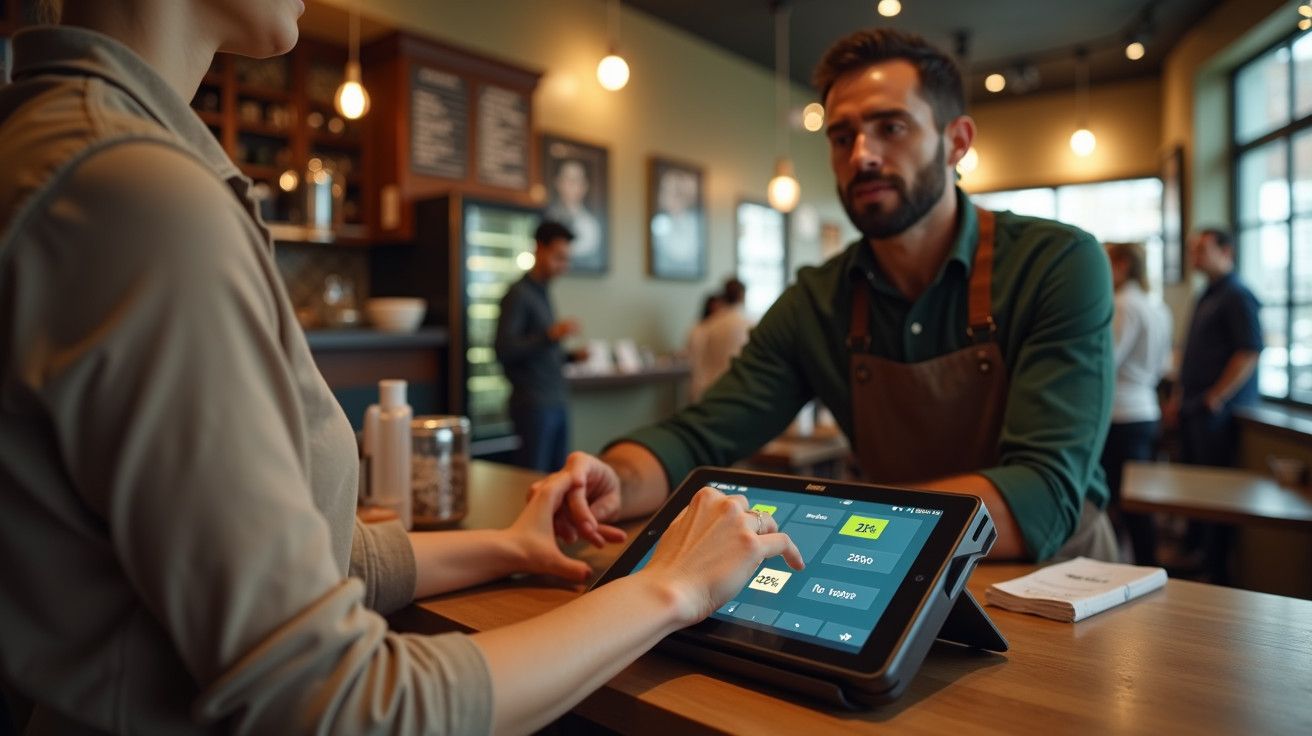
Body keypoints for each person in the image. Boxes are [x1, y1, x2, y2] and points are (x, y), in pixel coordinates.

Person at [0, 3, 803, 733]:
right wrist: (672, 587)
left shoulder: (80, 153)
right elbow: (337, 704)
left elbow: (303, 561)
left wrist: (509, 546)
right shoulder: (138, 198)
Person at [540, 28, 1120, 564]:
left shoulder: (1056, 264)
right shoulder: (818, 301)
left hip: (1054, 579)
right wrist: (614, 479)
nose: (861, 154)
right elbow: (701, 435)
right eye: (843, 136)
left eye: (891, 127)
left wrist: (841, 526)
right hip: (890, 568)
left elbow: (1043, 493)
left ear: (956, 142)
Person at [1164, 227, 1262, 582]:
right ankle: (1196, 555)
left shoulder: (1238, 294)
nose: (1195, 258)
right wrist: (1179, 397)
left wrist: (1216, 395)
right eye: (1193, 250)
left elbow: (1248, 350)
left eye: (1202, 250)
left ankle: (1215, 568)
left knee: (1215, 494)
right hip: (1193, 408)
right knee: (1194, 490)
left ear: (1226, 251)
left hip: (1215, 413)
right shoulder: (1207, 294)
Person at [1101, 242, 1173, 564]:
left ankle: (1135, 572)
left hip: (1121, 414)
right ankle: (1146, 567)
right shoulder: (1156, 307)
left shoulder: (1123, 305)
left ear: (1123, 265)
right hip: (1146, 409)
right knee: (1137, 503)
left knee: (1121, 504)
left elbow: (1106, 361)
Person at [496, 221, 588, 472]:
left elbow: (541, 352)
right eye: (558, 258)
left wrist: (570, 356)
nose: (563, 266)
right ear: (539, 248)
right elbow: (504, 349)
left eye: (566, 259)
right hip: (533, 404)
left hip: (555, 399)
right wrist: (550, 335)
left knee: (558, 476)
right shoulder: (519, 294)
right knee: (533, 478)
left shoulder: (542, 293)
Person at [687, 278, 753, 402]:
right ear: (742, 296)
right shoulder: (750, 325)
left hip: (708, 390)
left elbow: (694, 360)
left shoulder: (705, 326)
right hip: (738, 392)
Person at [543, 158, 603, 272]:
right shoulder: (548, 217)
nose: (571, 185)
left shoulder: (590, 225)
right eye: (567, 179)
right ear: (557, 182)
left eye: (576, 180)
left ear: (584, 186)